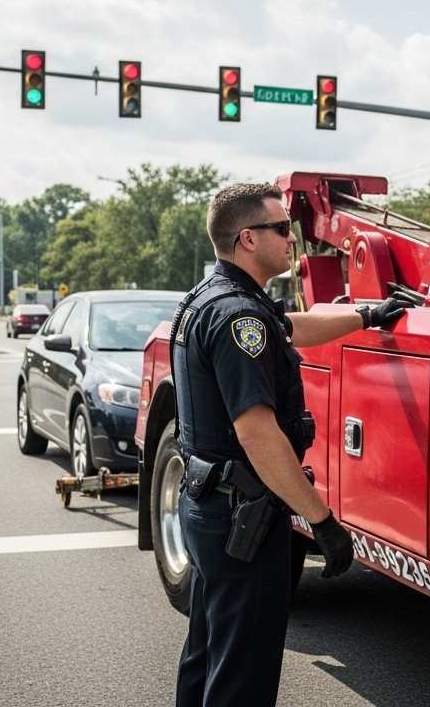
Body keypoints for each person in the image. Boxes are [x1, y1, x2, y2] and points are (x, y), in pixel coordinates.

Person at [172, 181, 413, 707]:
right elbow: (258, 434)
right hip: (243, 521)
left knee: (209, 653)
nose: (293, 239)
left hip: (209, 510)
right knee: (243, 678)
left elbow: (292, 327)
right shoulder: (241, 319)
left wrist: (367, 314)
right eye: (281, 229)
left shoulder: (210, 300)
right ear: (247, 239)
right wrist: (322, 522)